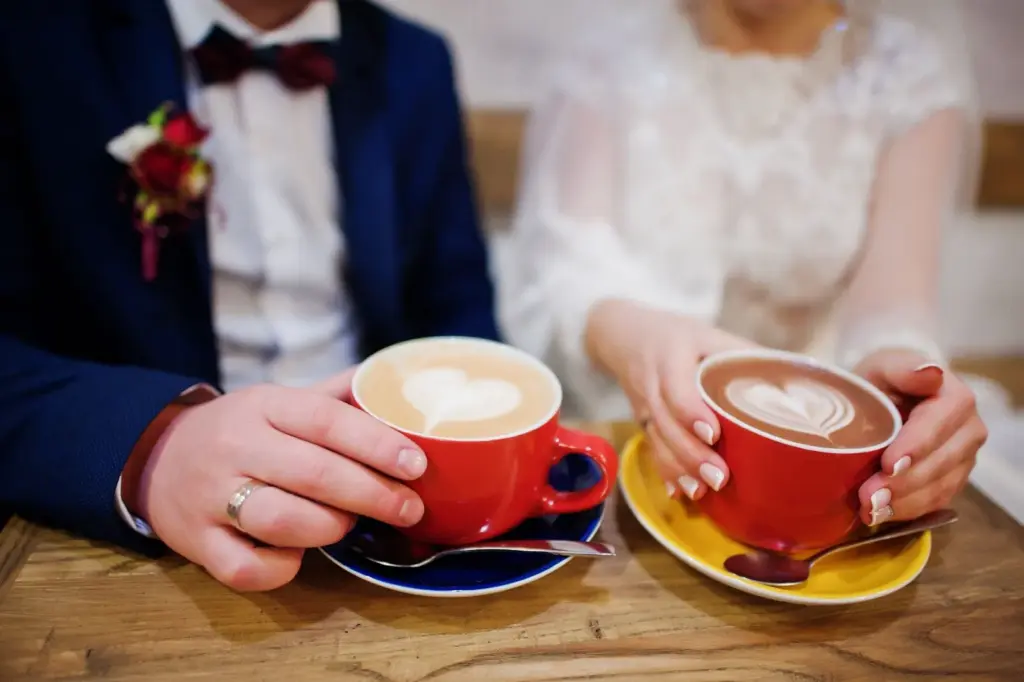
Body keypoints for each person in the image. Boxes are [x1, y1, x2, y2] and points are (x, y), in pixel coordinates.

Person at [0, 0, 499, 591]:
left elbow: (456, 302)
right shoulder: (30, 39)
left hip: (387, 513)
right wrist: (153, 446)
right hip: (137, 543)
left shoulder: (415, 59)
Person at [498, 0, 987, 529]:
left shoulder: (907, 73)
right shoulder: (606, 57)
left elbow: (890, 315)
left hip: (817, 460)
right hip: (625, 440)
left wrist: (910, 393)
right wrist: (636, 339)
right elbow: (565, 270)